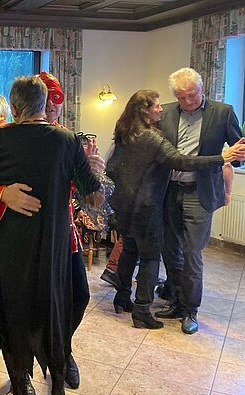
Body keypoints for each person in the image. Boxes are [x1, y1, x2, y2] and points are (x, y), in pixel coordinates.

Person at [0, 76, 102, 395]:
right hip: (41, 238)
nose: (54, 106)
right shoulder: (65, 139)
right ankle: (27, 379)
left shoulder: (35, 137)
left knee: (66, 301)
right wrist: (2, 192)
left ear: (16, 106)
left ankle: (57, 356)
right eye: (51, 100)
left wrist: (91, 169)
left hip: (53, 237)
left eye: (58, 101)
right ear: (43, 102)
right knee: (33, 305)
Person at [105, 90, 245, 330]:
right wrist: (221, 158)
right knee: (150, 258)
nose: (162, 109)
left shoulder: (125, 133)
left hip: (123, 205)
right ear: (145, 111)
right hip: (147, 206)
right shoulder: (152, 138)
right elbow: (183, 162)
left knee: (129, 250)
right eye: (156, 106)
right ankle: (142, 311)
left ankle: (122, 297)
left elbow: (112, 168)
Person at [156, 67, 244, 335]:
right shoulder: (166, 112)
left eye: (192, 95)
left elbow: (237, 153)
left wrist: (238, 154)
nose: (188, 101)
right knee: (171, 250)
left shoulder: (223, 112)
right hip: (169, 190)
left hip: (200, 192)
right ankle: (175, 300)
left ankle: (190, 309)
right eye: (181, 97)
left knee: (192, 253)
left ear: (202, 88)